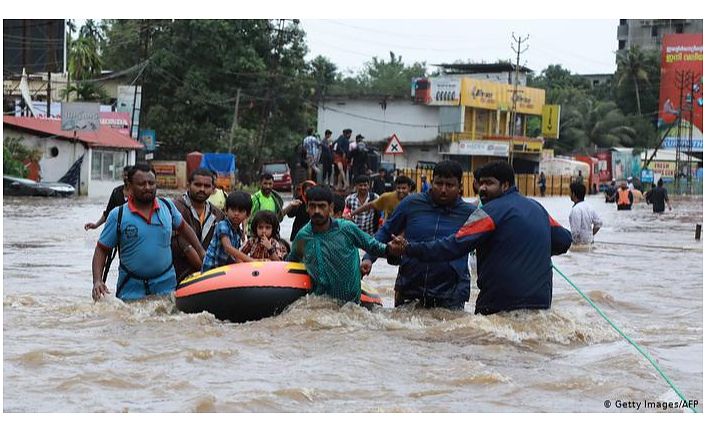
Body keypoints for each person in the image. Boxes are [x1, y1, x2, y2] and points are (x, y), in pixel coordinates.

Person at [388, 161, 572, 315]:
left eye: (489, 183)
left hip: (498, 304)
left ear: (506, 185)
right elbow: (564, 240)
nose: (482, 188)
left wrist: (409, 248)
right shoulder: (537, 208)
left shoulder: (488, 212)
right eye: (480, 183)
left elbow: (453, 246)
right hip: (541, 303)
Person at [361, 160, 476, 310]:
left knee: (449, 332)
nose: (443, 189)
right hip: (410, 286)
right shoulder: (412, 203)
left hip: (450, 293)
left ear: (460, 186)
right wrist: (369, 258)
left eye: (449, 185)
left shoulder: (469, 214)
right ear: (431, 182)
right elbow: (386, 231)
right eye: (438, 183)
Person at [91, 163, 204, 302]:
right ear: (130, 186)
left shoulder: (168, 207)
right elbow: (101, 250)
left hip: (166, 287)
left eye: (151, 183)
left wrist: (201, 252)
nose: (148, 187)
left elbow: (185, 228)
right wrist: (97, 280)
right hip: (130, 290)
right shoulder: (118, 215)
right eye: (141, 184)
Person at [287, 185, 392, 304]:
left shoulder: (346, 229)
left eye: (321, 206)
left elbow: (373, 245)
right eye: (312, 206)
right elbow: (290, 263)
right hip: (320, 307)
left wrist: (391, 249)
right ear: (307, 208)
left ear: (331, 208)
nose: (316, 211)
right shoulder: (302, 237)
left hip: (351, 307)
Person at [171, 168, 225, 282]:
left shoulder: (218, 214)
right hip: (180, 275)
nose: (202, 189)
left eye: (207, 186)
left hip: (209, 275)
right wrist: (207, 272)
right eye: (198, 185)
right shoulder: (175, 208)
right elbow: (182, 244)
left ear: (213, 188)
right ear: (188, 185)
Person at [202, 191, 254, 271]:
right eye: (233, 210)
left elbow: (235, 255)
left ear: (247, 215)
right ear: (226, 210)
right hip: (211, 269)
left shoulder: (238, 232)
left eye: (240, 211)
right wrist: (251, 261)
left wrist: (247, 265)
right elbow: (228, 248)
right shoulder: (223, 225)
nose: (236, 214)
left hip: (222, 269)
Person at [84, 165, 132, 230]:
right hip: (118, 229)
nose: (126, 178)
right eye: (125, 175)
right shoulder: (116, 192)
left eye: (128, 176)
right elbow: (108, 212)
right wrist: (96, 225)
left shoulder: (138, 193)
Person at [348, 175, 414, 221]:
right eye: (398, 188)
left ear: (409, 188)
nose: (401, 191)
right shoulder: (387, 197)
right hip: (389, 231)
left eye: (404, 188)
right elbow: (369, 205)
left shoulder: (413, 201)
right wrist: (351, 214)